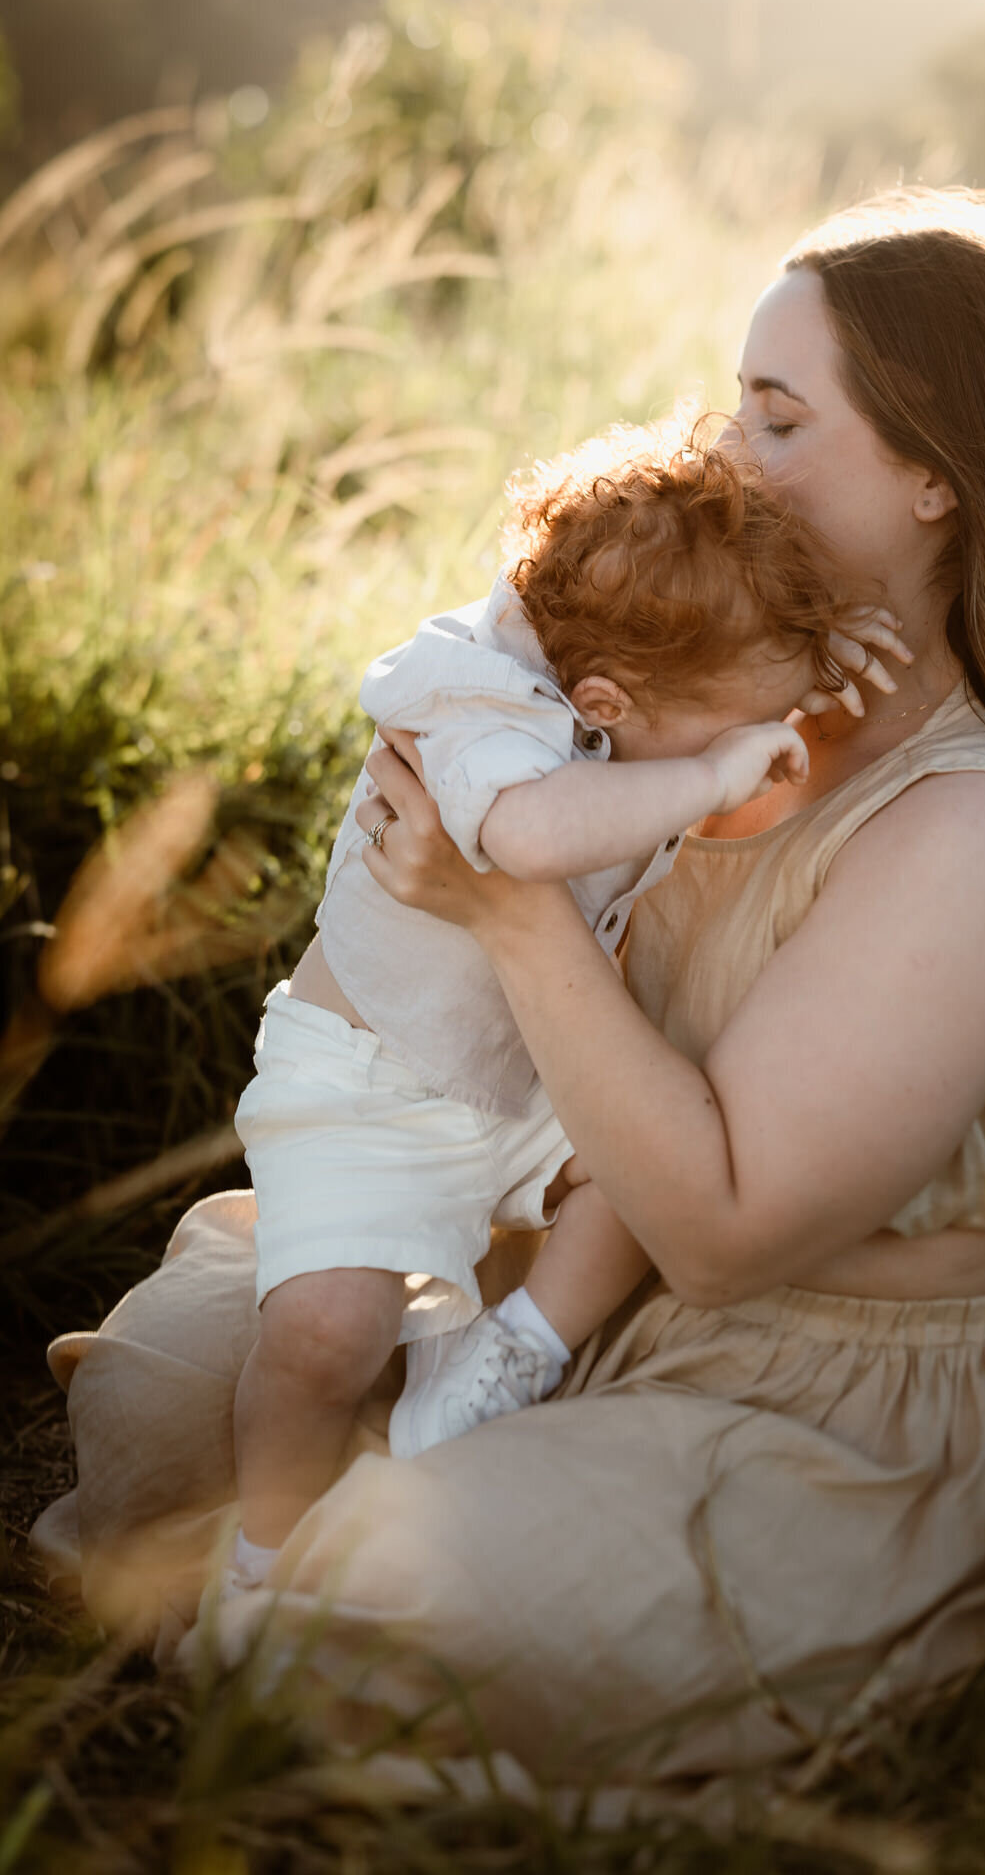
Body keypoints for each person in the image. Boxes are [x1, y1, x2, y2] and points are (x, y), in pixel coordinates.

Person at [33, 189, 985, 1787]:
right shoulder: (721, 696)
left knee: (384, 1592)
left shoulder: (982, 833)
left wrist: (511, 908)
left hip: (848, 1413)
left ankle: (306, 1639)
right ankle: (288, 1609)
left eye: (781, 416)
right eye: (734, 400)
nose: (728, 453)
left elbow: (724, 1232)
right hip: (607, 1295)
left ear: (939, 476)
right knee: (187, 1383)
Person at [228, 421, 900, 1584]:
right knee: (322, 1336)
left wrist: (813, 644)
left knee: (647, 1167)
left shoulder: (640, 647)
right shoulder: (474, 703)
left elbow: (713, 636)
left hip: (517, 1071)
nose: (763, 742)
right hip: (370, 1082)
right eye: (737, 723)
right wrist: (707, 773)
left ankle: (512, 1348)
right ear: (601, 697)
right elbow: (527, 837)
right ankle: (259, 1548)